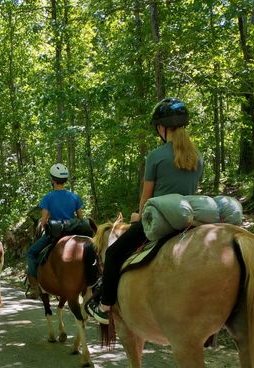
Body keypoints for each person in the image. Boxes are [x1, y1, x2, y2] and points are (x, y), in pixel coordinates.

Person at [85, 97, 203, 324]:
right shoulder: (198, 157)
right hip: (189, 219)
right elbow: (191, 192)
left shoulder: (156, 156)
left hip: (159, 219)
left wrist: (139, 216)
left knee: (114, 253)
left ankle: (104, 305)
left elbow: (146, 197)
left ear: (161, 128)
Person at [26, 163, 84, 298]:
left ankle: (34, 287)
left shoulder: (48, 197)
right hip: (73, 233)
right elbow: (81, 218)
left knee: (30, 253)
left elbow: (44, 221)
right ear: (65, 180)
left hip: (55, 234)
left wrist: (45, 223)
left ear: (52, 179)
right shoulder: (74, 197)